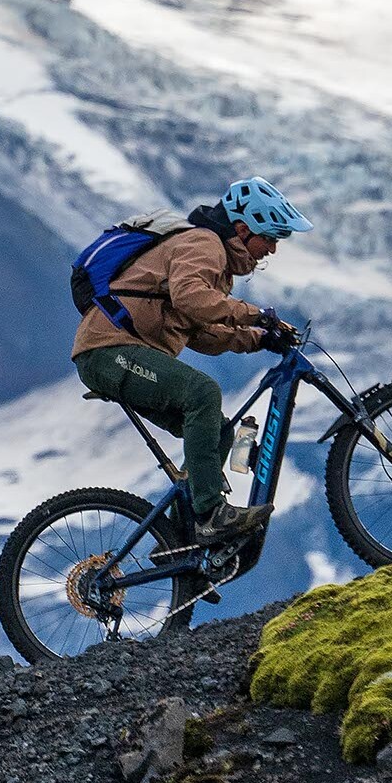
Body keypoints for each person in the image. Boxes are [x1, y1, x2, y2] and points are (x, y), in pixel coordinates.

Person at [72, 176, 309, 543]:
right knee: (202, 392)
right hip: (108, 351)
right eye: (272, 238)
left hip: (120, 354)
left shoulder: (216, 262)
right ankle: (211, 514)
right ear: (244, 230)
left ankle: (181, 541)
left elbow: (203, 335)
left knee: (219, 428)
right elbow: (191, 298)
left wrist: (259, 339)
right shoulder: (203, 243)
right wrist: (254, 314)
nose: (273, 250)